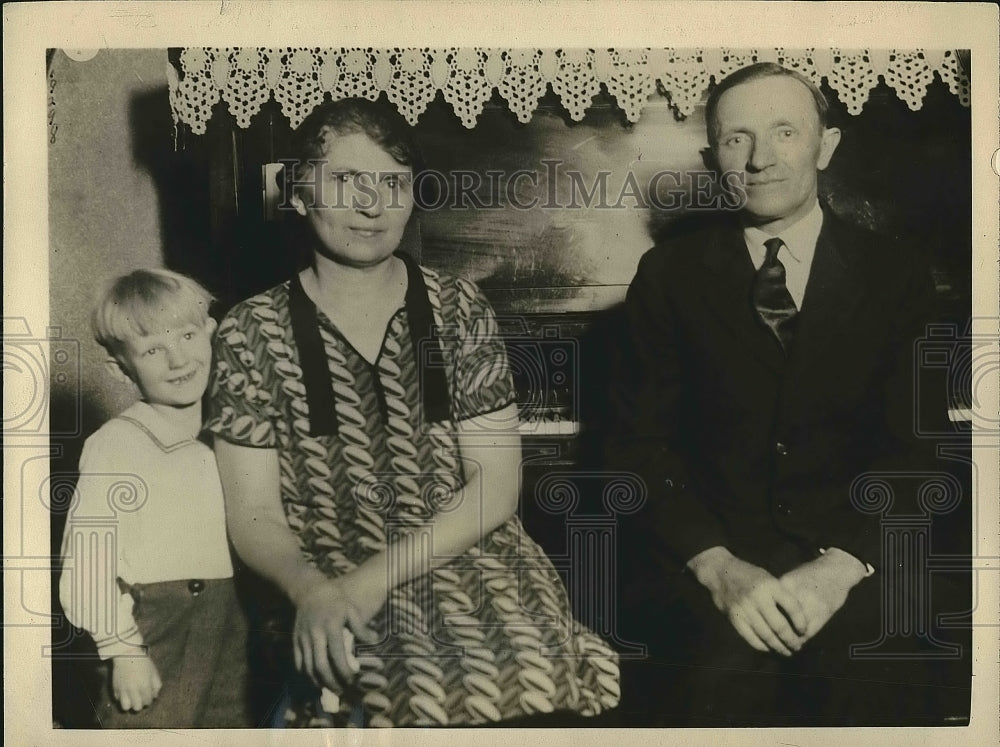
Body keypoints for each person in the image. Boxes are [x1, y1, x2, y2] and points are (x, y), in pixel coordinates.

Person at [206, 98, 620, 727]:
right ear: (298, 193)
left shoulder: (458, 307)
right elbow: (254, 513)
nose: (373, 204)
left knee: (532, 668)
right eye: (347, 181)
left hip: (464, 545)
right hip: (323, 562)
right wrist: (312, 591)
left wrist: (374, 581)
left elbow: (495, 485)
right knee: (395, 691)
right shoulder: (249, 330)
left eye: (393, 183)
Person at [607, 62, 959, 725]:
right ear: (715, 160)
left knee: (880, 669)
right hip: (715, 561)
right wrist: (717, 569)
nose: (761, 158)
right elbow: (636, 448)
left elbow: (917, 449)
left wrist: (843, 567)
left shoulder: (896, 275)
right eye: (737, 139)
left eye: (785, 132)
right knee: (714, 679)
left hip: (857, 558)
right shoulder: (668, 275)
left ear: (825, 146)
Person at [58, 269, 253, 728]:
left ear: (211, 331)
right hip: (158, 635)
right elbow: (87, 563)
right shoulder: (117, 445)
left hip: (235, 628)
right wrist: (122, 647)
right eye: (151, 350)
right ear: (120, 367)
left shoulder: (232, 435)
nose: (177, 359)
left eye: (187, 334)